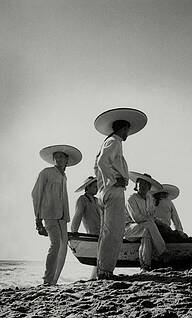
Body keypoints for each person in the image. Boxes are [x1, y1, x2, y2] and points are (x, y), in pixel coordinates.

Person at [94, 107, 147, 280]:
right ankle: (106, 270)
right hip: (113, 190)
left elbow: (99, 164)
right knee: (115, 231)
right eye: (127, 130)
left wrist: (107, 182)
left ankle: (103, 269)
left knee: (107, 231)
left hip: (106, 191)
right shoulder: (115, 141)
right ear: (123, 129)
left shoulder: (109, 141)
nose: (128, 134)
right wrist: (112, 180)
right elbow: (102, 162)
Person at [32, 144, 82, 285]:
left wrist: (66, 215)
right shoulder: (46, 172)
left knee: (62, 247)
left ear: (67, 160)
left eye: (61, 157)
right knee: (55, 245)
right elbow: (36, 194)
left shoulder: (64, 176)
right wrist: (38, 218)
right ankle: (47, 280)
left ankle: (53, 280)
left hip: (62, 217)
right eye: (56, 157)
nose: (59, 159)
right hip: (49, 214)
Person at [125, 172, 166, 269]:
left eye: (145, 185)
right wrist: (152, 220)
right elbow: (137, 218)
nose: (143, 187)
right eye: (141, 184)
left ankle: (146, 265)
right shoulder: (131, 199)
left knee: (146, 233)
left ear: (149, 187)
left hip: (145, 228)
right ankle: (163, 251)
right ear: (136, 185)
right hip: (129, 230)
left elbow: (152, 215)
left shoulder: (149, 198)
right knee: (149, 225)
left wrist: (159, 222)